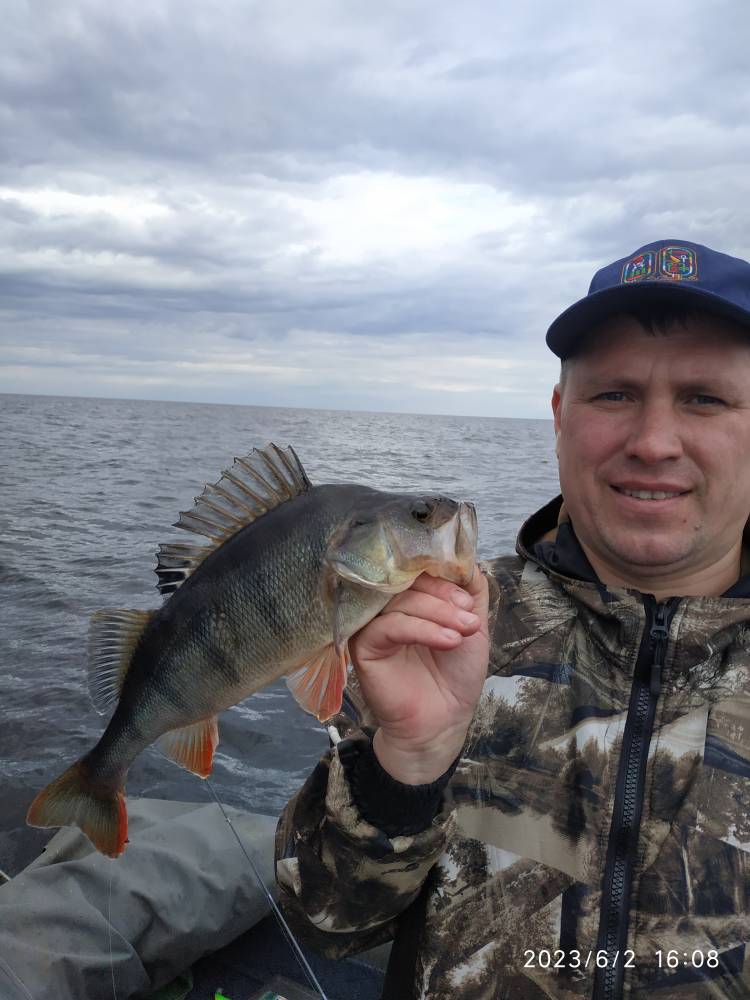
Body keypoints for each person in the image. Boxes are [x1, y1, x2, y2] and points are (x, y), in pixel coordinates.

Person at [275, 239, 750, 999]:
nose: (654, 443)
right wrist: (407, 765)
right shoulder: (442, 625)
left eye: (705, 399)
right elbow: (326, 921)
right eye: (614, 395)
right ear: (560, 416)